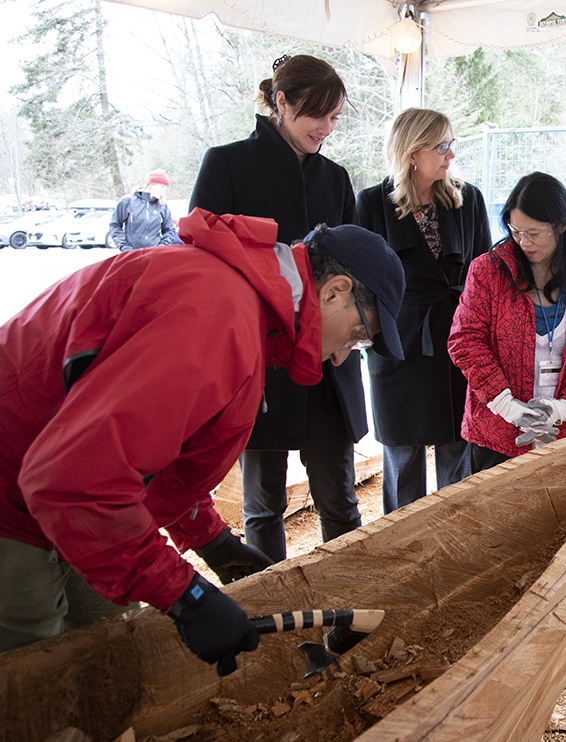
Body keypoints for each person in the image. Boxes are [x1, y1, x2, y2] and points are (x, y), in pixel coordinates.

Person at [0, 211, 406, 676]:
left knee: (107, 652)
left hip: (55, 491)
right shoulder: (217, 315)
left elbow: (158, 455)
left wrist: (210, 539)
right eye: (356, 337)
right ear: (335, 289)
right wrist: (186, 596)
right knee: (32, 679)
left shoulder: (245, 309)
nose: (339, 356)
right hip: (14, 497)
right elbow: (75, 479)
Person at [190, 54, 366, 564]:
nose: (327, 129)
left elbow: (357, 268)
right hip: (258, 359)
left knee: (340, 498)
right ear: (282, 102)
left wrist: (349, 337)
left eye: (335, 118)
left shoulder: (335, 178)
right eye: (318, 116)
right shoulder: (226, 164)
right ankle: (271, 618)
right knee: (262, 506)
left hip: (327, 361)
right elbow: (204, 261)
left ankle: (346, 610)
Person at [356, 109, 491, 513]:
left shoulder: (468, 199)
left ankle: (456, 545)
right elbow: (360, 283)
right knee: (402, 457)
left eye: (452, 144)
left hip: (455, 338)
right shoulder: (370, 203)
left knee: (457, 451)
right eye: (442, 145)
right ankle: (400, 552)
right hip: (398, 343)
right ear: (412, 152)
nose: (451, 154)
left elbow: (483, 273)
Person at [447, 171, 566, 473]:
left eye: (534, 233)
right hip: (495, 433)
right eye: (515, 231)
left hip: (564, 432)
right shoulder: (488, 272)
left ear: (562, 225)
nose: (523, 242)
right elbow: (465, 340)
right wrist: (505, 405)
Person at [107, 170, 179, 251]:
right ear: (152, 185)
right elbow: (115, 225)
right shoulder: (127, 201)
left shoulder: (162, 206)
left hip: (154, 255)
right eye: (162, 187)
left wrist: (161, 247)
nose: (163, 191)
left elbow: (169, 230)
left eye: (165, 188)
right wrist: (124, 247)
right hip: (131, 254)